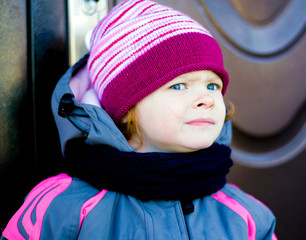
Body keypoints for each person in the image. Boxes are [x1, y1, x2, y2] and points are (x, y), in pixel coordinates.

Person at [1, 0, 277, 239]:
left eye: (212, 86)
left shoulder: (245, 214)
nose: (207, 99)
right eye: (179, 86)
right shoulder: (63, 205)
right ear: (127, 109)